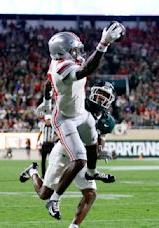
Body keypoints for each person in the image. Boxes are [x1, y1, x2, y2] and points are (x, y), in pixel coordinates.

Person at [35, 22, 123, 219]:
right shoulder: (63, 66)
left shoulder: (57, 63)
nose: (78, 53)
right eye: (74, 50)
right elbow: (85, 71)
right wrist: (103, 45)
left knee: (91, 145)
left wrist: (46, 101)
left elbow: (48, 83)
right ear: (63, 52)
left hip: (80, 113)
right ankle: (54, 199)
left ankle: (92, 173)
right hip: (65, 118)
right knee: (80, 157)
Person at [20, 82, 116, 226]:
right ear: (93, 92)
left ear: (110, 100)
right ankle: (33, 171)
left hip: (81, 158)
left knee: (90, 194)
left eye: (105, 96)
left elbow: (100, 140)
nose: (101, 98)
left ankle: (74, 226)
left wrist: (100, 151)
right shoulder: (79, 105)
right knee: (44, 194)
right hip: (64, 152)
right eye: (100, 94)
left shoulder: (107, 122)